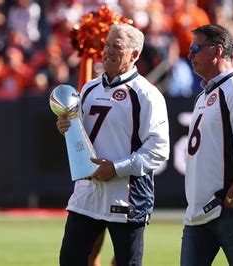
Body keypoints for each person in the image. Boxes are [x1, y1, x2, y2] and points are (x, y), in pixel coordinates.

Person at [57, 23, 170, 266]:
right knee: (69, 259)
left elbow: (159, 150)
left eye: (116, 46)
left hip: (126, 198)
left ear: (134, 55)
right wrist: (66, 129)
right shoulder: (88, 89)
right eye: (106, 44)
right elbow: (81, 139)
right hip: (87, 195)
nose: (107, 50)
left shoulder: (147, 95)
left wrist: (116, 168)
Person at [180, 24, 233, 266]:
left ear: (217, 51)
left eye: (196, 48)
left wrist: (232, 199)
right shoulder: (205, 95)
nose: (190, 55)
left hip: (232, 212)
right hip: (199, 215)